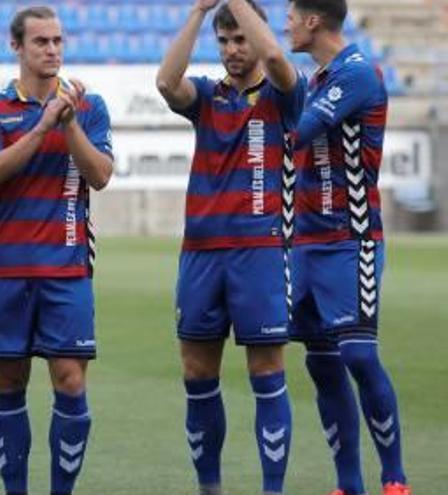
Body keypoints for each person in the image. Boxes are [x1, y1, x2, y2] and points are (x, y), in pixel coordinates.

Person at [156, 1, 307, 493]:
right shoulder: (206, 95)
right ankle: (210, 486)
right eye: (225, 41)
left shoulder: (285, 95)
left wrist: (243, 8)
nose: (232, 51)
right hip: (200, 253)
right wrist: (200, 12)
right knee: (197, 373)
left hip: (259, 253)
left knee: (267, 370)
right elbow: (165, 83)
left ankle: (272, 489)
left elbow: (280, 63)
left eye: (240, 39)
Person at [0, 6, 113, 495]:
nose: (52, 50)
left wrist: (67, 124)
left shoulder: (89, 109)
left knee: (71, 384)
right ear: (17, 48)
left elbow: (100, 175)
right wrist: (42, 125)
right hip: (6, 270)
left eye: (57, 41)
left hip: (67, 269)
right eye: (40, 42)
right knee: (8, 385)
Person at [285, 1, 411, 494]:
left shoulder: (357, 73)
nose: (289, 26)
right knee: (321, 362)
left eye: (293, 17)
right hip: (305, 243)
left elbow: (301, 131)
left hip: (351, 238)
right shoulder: (316, 79)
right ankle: (348, 485)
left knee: (358, 354)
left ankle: (395, 480)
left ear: (314, 20)